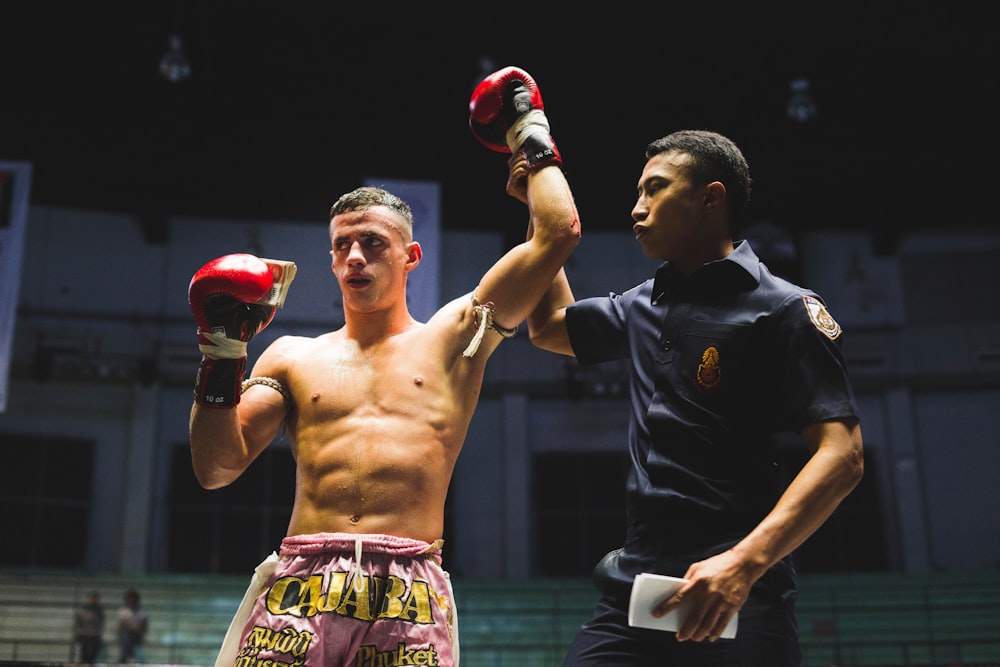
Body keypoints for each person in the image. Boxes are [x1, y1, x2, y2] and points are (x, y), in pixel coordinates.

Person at [187, 66, 579, 666]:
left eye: (372, 242)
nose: (354, 257)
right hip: (299, 584)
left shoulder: (453, 340)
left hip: (409, 589)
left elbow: (558, 234)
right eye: (342, 245)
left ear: (410, 255)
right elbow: (216, 468)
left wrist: (529, 131)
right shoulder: (292, 355)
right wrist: (222, 351)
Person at [515, 129, 864, 665]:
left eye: (655, 190)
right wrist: (545, 225)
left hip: (740, 590)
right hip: (639, 587)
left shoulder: (784, 308)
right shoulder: (641, 306)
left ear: (711, 197)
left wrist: (744, 565)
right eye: (637, 193)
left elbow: (843, 457)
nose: (637, 208)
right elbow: (548, 326)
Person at [73, 590, 104, 664]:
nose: (93, 599)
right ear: (88, 598)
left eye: (95, 598)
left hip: (95, 635)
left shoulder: (99, 610)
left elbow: (101, 623)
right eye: (91, 597)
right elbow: (78, 622)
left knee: (93, 656)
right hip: (84, 635)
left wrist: (98, 631)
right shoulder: (82, 609)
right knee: (84, 656)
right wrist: (79, 633)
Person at [117, 588, 148, 663]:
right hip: (126, 634)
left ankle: (139, 661)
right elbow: (120, 624)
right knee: (125, 650)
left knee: (137, 651)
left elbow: (144, 623)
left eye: (133, 599)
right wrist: (119, 635)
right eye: (129, 599)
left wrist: (141, 632)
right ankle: (123, 660)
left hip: (137, 634)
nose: (131, 601)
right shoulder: (123, 610)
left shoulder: (141, 610)